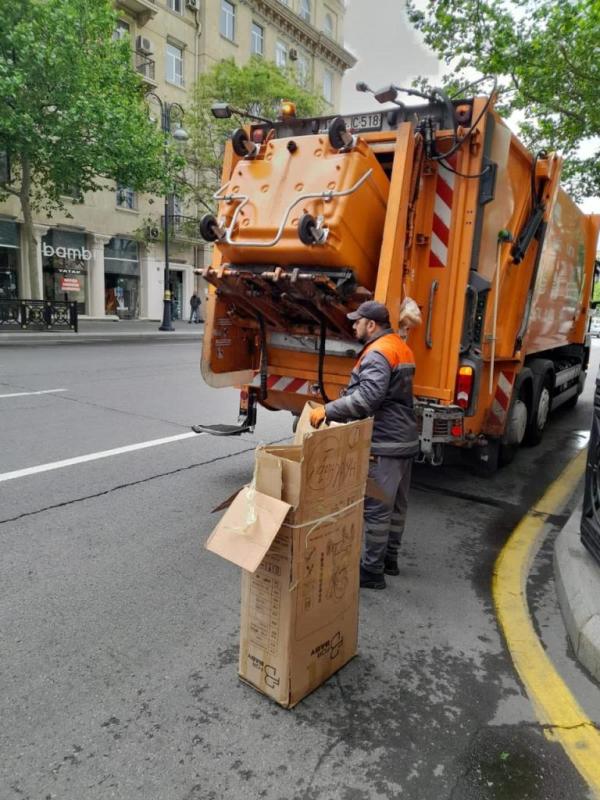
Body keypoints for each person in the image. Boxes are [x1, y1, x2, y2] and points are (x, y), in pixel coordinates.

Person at [309, 300, 419, 590]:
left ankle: (371, 571)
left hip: (384, 441)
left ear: (371, 325)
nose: (353, 325)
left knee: (377, 509)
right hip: (404, 438)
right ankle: (390, 560)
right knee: (396, 506)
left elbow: (367, 399)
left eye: (357, 321)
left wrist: (328, 410)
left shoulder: (378, 353)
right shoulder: (399, 346)